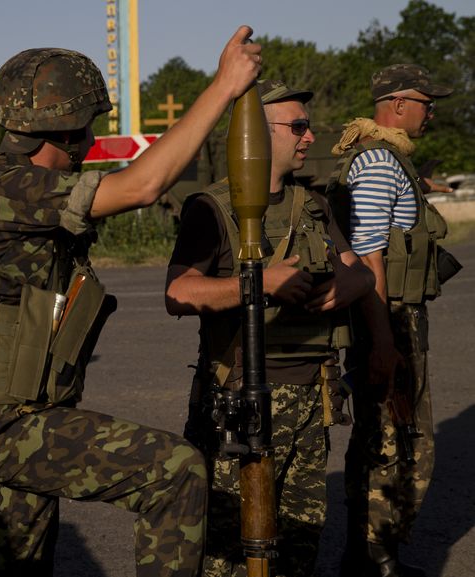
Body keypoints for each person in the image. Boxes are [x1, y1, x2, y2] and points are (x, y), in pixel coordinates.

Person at [0, 26, 261, 577]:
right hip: (1, 422)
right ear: (63, 129)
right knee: (176, 471)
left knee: (17, 563)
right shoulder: (10, 190)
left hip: (21, 413)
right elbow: (141, 187)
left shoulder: (19, 194)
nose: (90, 142)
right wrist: (223, 88)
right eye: (87, 126)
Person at [165, 79, 374, 577]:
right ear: (256, 134)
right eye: (298, 126)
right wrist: (260, 283)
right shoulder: (212, 207)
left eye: (309, 126)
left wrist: (349, 286)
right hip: (241, 405)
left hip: (310, 401)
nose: (309, 137)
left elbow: (358, 269)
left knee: (299, 546)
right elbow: (178, 293)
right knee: (228, 554)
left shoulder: (313, 205)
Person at [326, 64, 453, 577]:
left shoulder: (385, 158)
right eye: (426, 102)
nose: (431, 113)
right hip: (388, 316)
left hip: (394, 316)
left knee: (392, 436)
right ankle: (373, 561)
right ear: (398, 104)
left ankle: (373, 555)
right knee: (393, 440)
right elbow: (371, 256)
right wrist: (382, 341)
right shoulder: (379, 161)